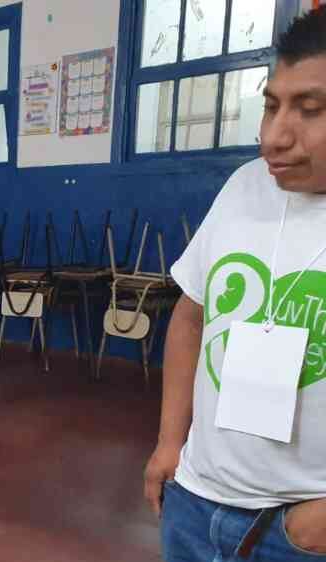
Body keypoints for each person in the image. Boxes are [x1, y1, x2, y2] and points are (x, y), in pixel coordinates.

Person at [143, 8, 326, 561]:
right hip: (194, 502)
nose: (273, 138)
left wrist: (311, 527)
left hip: (298, 532)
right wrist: (170, 443)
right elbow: (191, 315)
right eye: (271, 106)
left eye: (310, 110)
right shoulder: (246, 185)